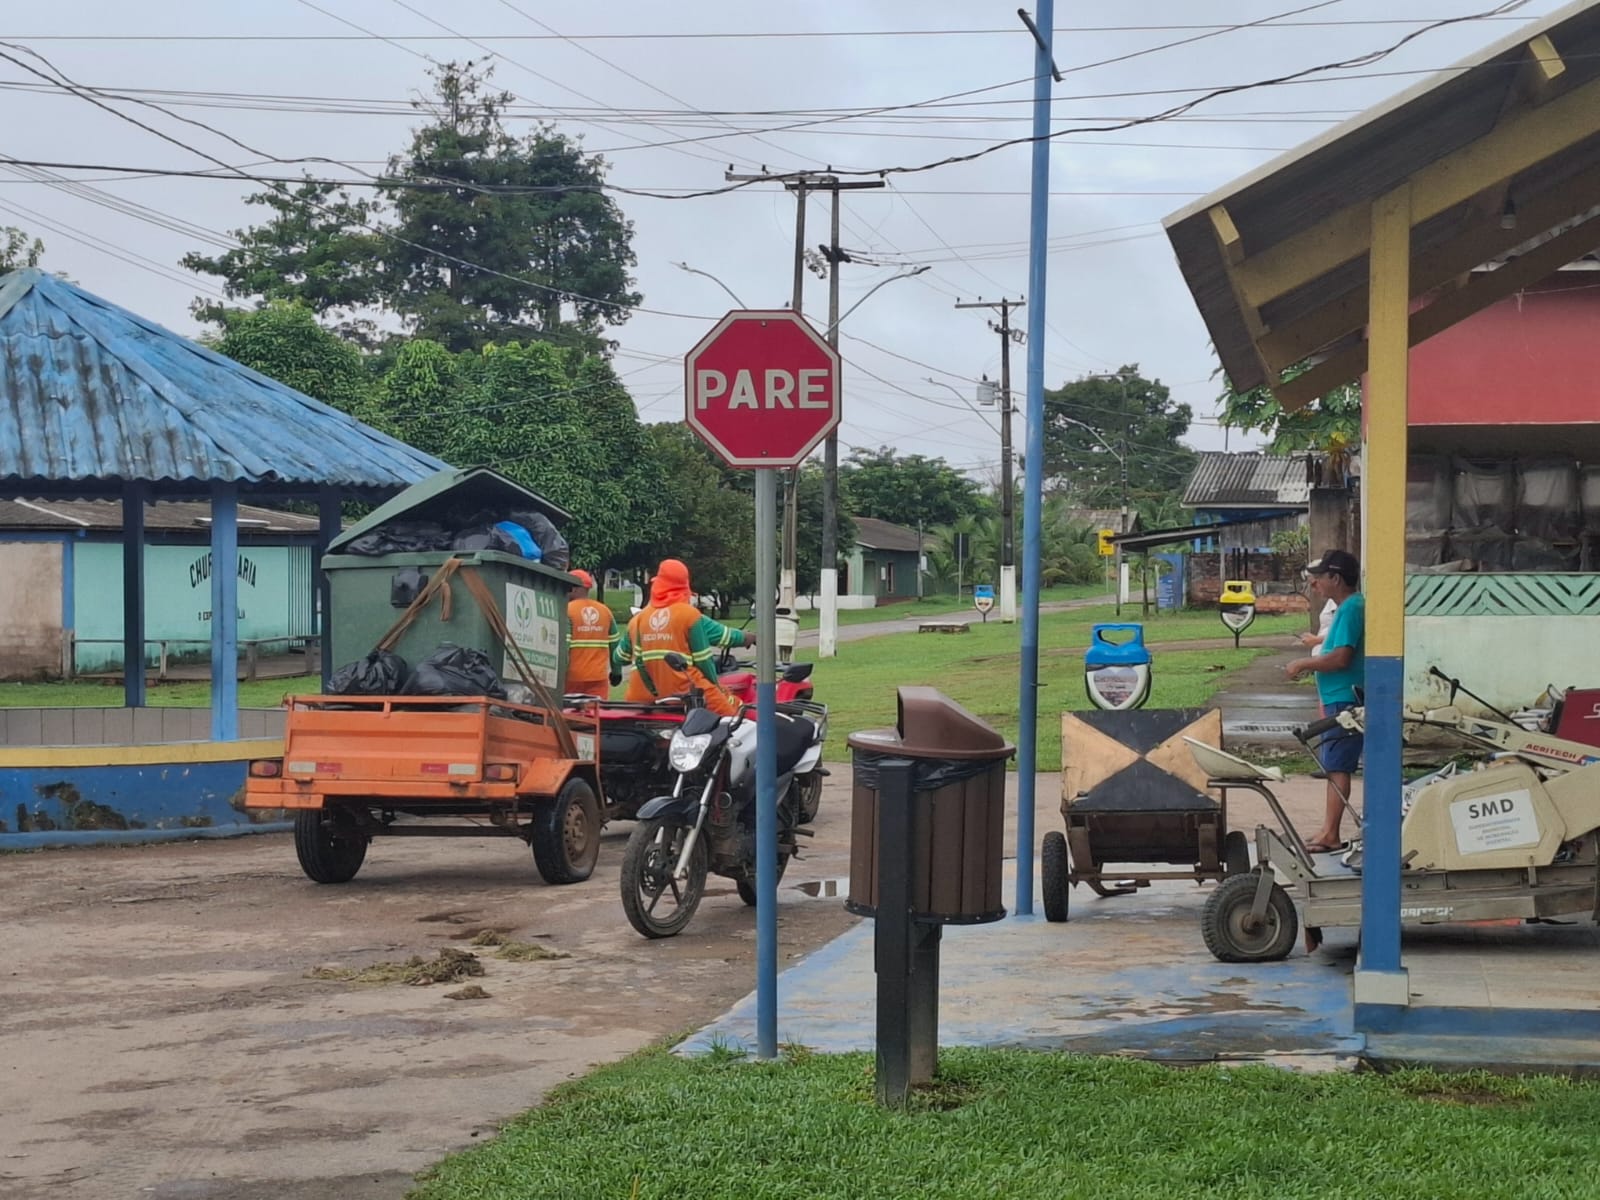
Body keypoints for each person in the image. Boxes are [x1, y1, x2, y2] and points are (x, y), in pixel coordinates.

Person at [1285, 549, 1365, 854]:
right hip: (1338, 695)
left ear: (1336, 578)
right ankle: (1327, 829)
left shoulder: (1351, 608)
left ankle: (1331, 832)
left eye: (1319, 579)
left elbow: (1342, 657)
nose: (1315, 585)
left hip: (1345, 698)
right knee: (1334, 765)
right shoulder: (1346, 608)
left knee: (1337, 766)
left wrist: (1302, 665)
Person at [614, 558, 754, 716]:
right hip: (685, 693)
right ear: (684, 586)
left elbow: (619, 657)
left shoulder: (637, 620)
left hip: (641, 697)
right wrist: (716, 687)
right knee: (732, 720)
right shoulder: (689, 615)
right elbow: (705, 659)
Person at [565, 570, 620, 699]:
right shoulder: (605, 611)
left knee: (570, 716)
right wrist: (616, 672)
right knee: (596, 714)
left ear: (573, 588)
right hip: (598, 678)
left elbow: (564, 648)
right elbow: (615, 646)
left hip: (572, 679)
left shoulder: (567, 611)